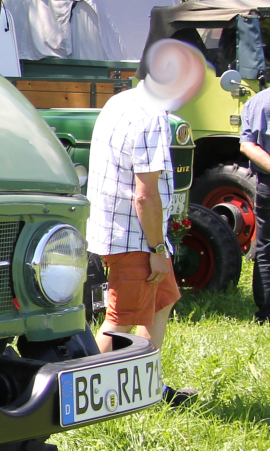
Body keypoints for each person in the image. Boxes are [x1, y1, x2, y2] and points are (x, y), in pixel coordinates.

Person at [86, 38, 206, 403]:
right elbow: (145, 195)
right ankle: (89, 396)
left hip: (128, 231)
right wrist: (156, 247)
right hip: (133, 236)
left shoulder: (119, 100)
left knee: (163, 299)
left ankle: (145, 387)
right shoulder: (151, 116)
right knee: (119, 320)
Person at [238, 83, 270, 320]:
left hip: (266, 184)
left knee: (266, 247)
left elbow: (247, 145)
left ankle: (266, 312)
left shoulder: (257, 101)